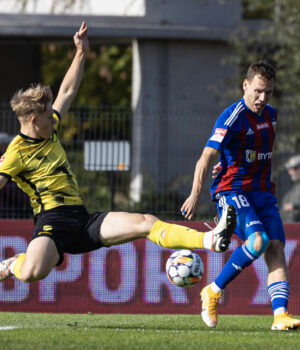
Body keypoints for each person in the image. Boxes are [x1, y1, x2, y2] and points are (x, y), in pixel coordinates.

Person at [0, 22, 237, 287]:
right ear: (33, 120)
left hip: (81, 218)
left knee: (146, 222)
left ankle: (210, 239)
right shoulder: (15, 153)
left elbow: (67, 91)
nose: (54, 119)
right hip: (51, 222)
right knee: (33, 273)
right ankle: (12, 264)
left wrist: (80, 52)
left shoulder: (48, 129)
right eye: (48, 117)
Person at [181, 62, 300, 331]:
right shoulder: (231, 116)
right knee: (259, 240)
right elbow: (206, 156)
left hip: (262, 192)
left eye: (268, 92)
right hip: (232, 190)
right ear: (245, 86)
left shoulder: (271, 115)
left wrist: (227, 160)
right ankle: (212, 290)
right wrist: (195, 194)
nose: (262, 98)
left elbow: (248, 153)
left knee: (277, 248)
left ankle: (280, 315)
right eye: (257, 91)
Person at [281, 155, 300, 222]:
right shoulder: (295, 187)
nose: (290, 172)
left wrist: (295, 206)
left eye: (294, 168)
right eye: (289, 169)